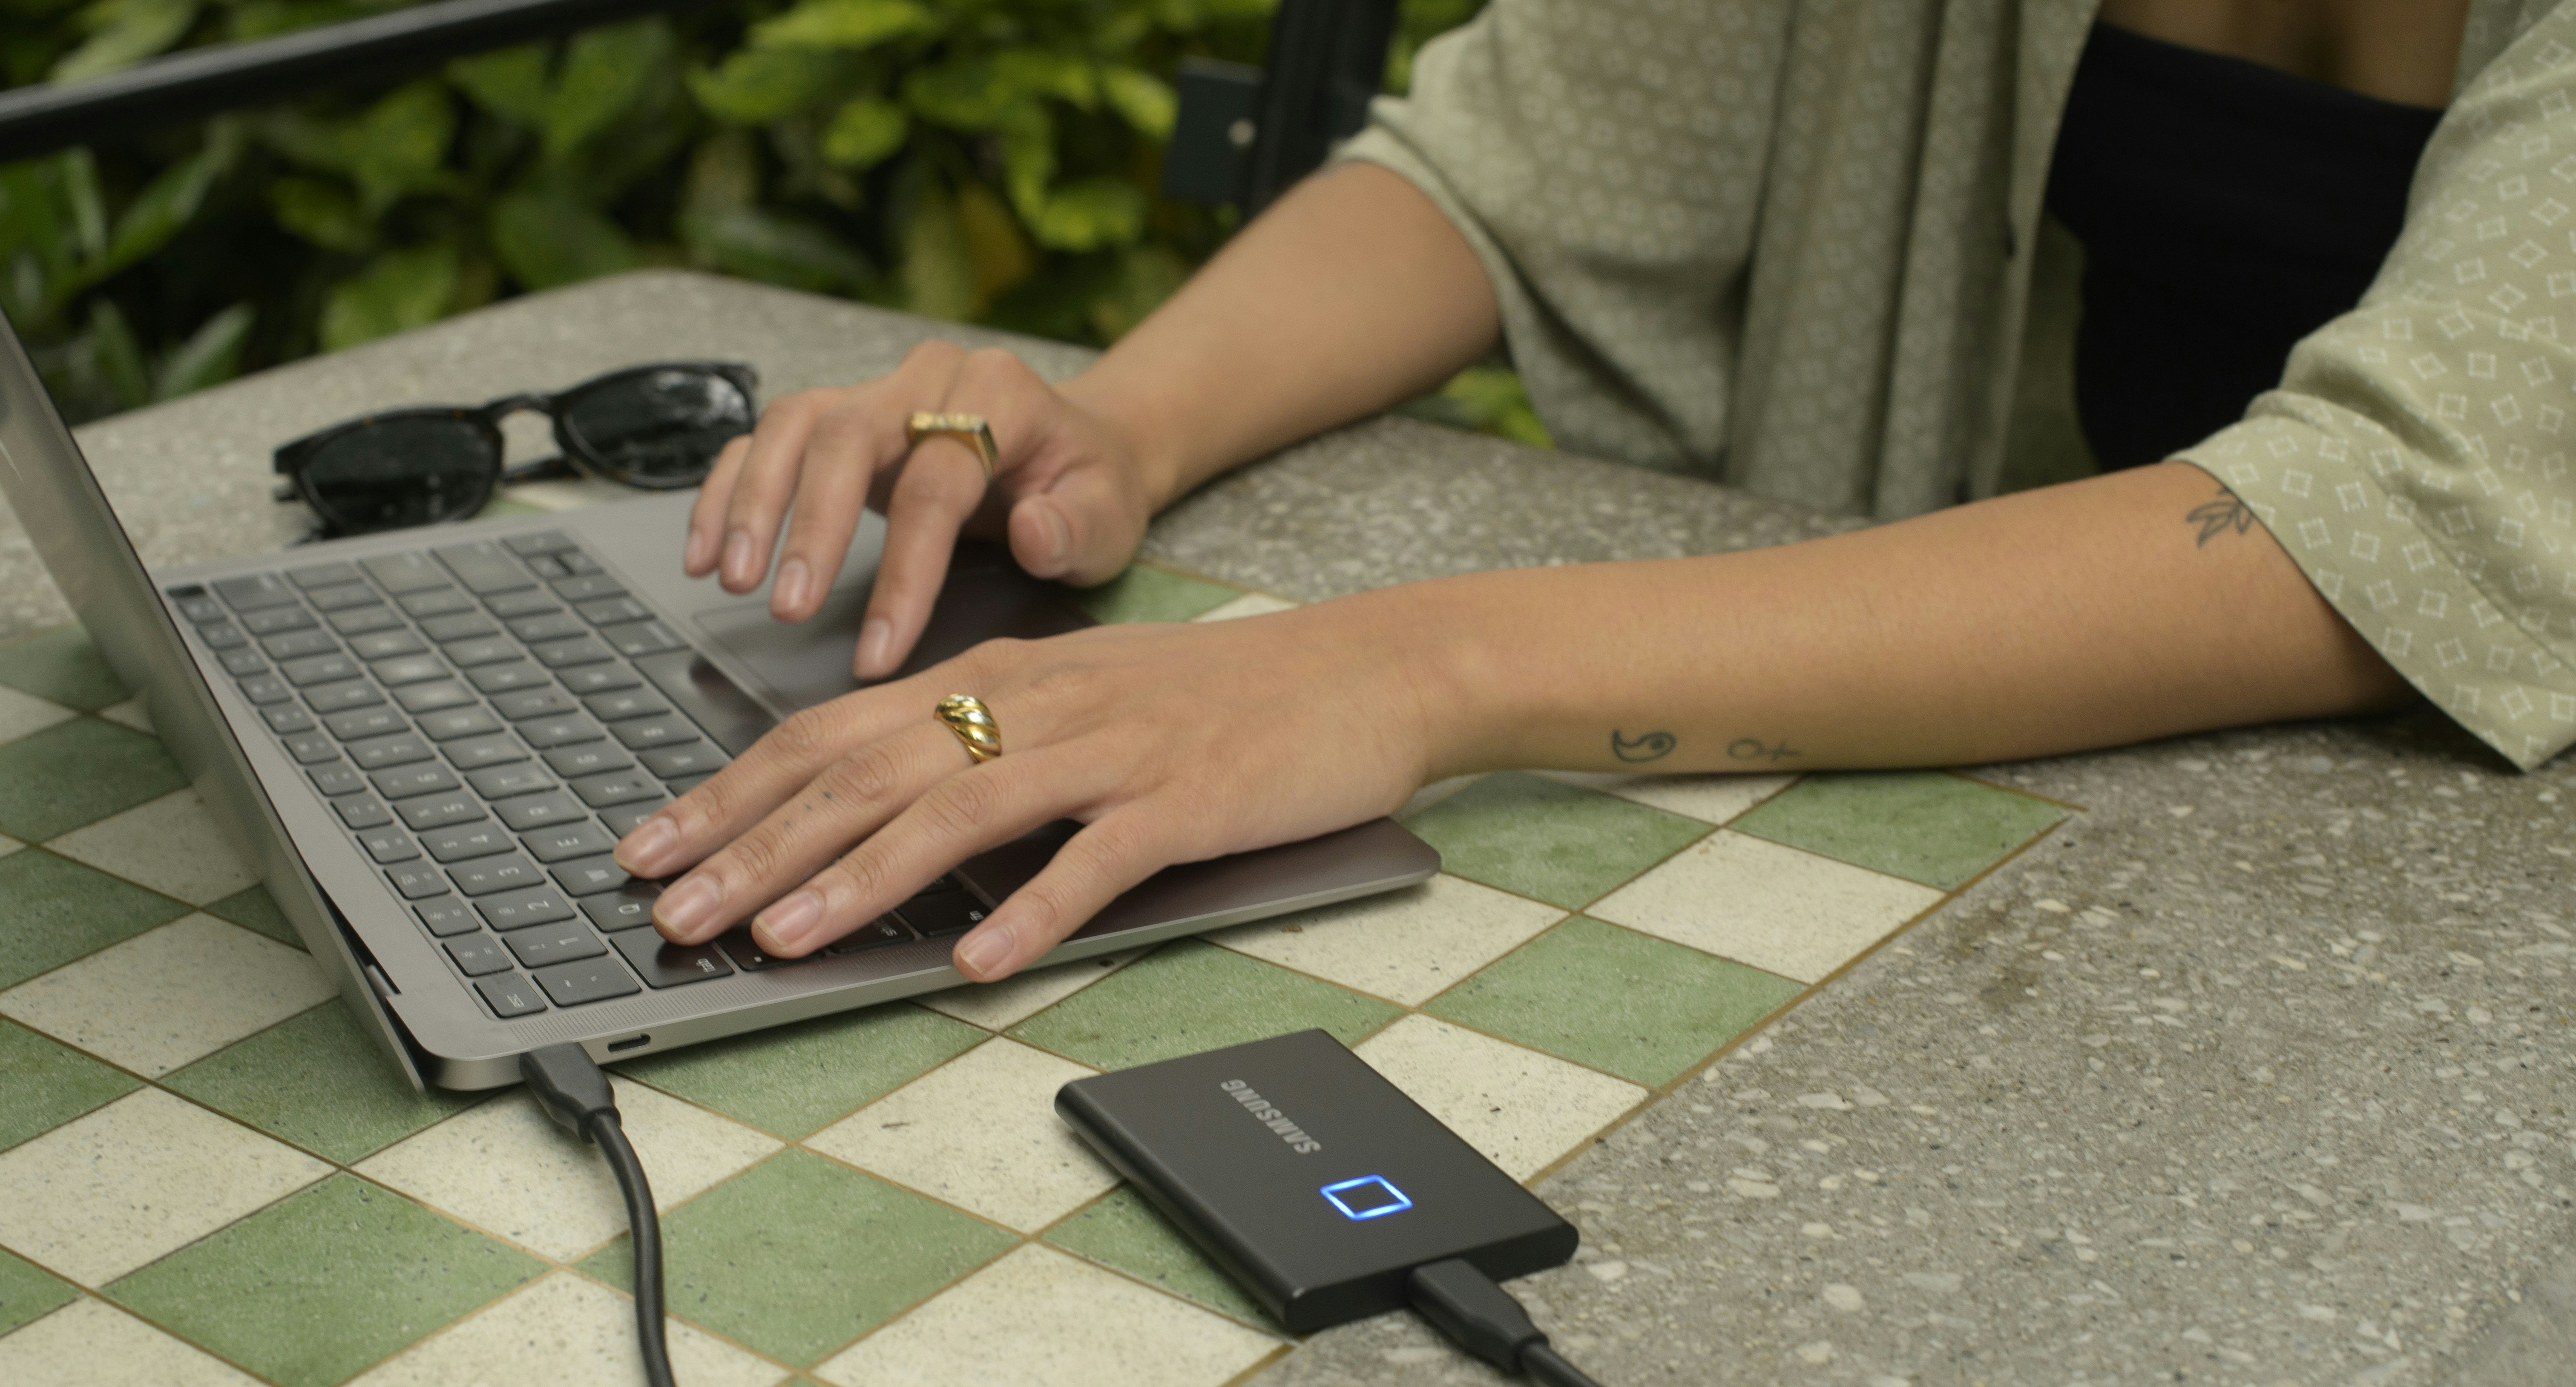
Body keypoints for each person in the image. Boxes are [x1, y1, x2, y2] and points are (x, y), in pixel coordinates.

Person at [612, 0, 2572, 987]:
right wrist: (1113, 427)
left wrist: (1402, 669)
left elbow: (2380, 518)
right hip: (1986, 855)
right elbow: (1523, 156)